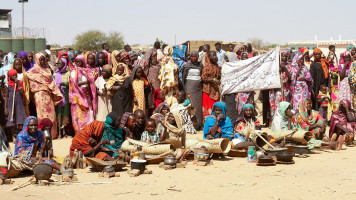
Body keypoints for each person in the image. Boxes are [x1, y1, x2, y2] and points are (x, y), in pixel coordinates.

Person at [27, 52, 63, 139]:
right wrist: (44, 86)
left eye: (44, 59)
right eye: (41, 60)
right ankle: (43, 134)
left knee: (52, 114)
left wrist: (50, 88)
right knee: (41, 115)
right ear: (37, 60)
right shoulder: (32, 71)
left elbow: (52, 82)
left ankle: (53, 134)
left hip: (48, 94)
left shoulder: (48, 69)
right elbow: (32, 85)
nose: (43, 61)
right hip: (39, 95)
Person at [69, 55, 94, 133]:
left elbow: (91, 82)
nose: (78, 63)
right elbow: (72, 84)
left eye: (80, 61)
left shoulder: (87, 71)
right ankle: (78, 134)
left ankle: (86, 134)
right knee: (76, 116)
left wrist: (80, 84)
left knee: (86, 117)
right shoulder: (73, 71)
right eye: (77, 62)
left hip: (85, 98)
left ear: (83, 62)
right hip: (75, 99)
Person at [182, 51, 203, 129]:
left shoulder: (200, 65)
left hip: (198, 88)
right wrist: (186, 88)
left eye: (195, 56)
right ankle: (190, 124)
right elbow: (183, 78)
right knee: (191, 105)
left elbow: (202, 75)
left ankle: (198, 123)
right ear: (190, 57)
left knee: (198, 106)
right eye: (192, 56)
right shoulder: (186, 66)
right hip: (189, 87)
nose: (194, 58)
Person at [5, 69, 27, 141]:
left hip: (19, 104)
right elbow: (6, 96)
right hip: (10, 104)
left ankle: (21, 135)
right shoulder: (7, 85)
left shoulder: (20, 82)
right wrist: (5, 107)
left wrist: (18, 84)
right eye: (13, 76)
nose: (15, 77)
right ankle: (13, 136)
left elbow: (22, 92)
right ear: (9, 77)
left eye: (15, 75)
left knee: (20, 119)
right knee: (11, 120)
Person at [54, 58, 71, 138]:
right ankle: (59, 132)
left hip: (66, 94)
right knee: (58, 112)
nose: (59, 65)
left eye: (61, 64)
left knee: (65, 112)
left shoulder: (68, 73)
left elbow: (72, 85)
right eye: (58, 64)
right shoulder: (55, 74)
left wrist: (65, 84)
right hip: (58, 95)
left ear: (65, 65)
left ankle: (64, 131)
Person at [201, 51, 221, 117]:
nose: (215, 57)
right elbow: (203, 78)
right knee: (208, 107)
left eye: (215, 55)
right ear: (209, 57)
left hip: (215, 89)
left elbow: (218, 76)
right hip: (207, 90)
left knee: (215, 106)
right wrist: (213, 79)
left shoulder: (217, 66)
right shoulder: (206, 67)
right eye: (213, 56)